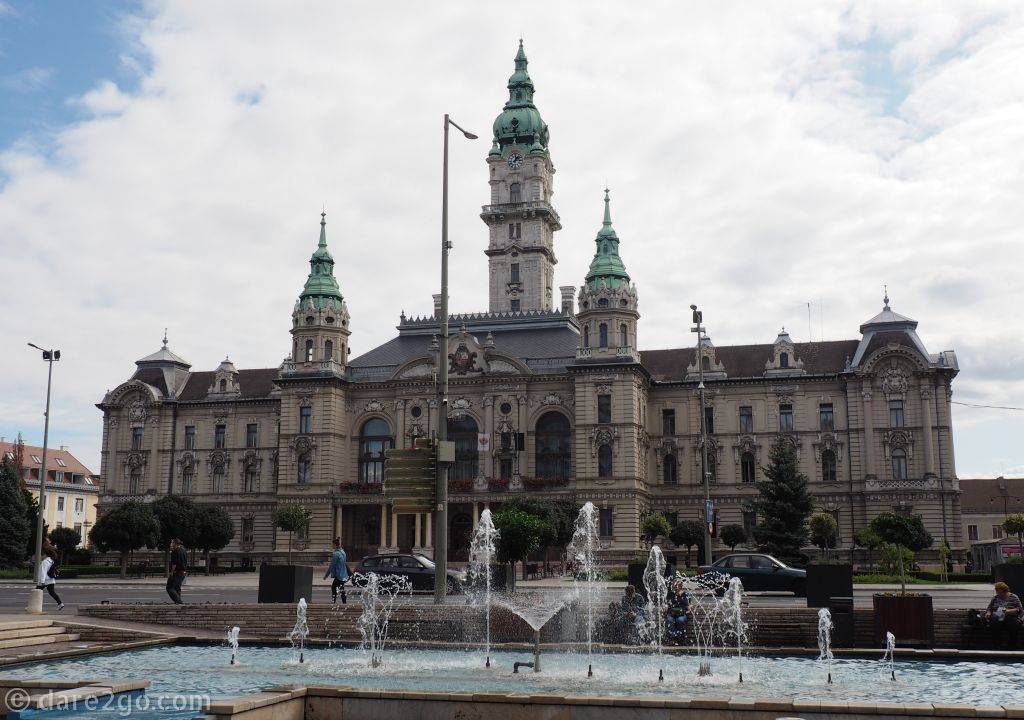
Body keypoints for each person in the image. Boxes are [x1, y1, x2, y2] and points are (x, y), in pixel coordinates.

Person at [985, 581, 1022, 649]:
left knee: (1014, 624)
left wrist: (1008, 611)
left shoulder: (1014, 597)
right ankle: (997, 645)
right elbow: (989, 608)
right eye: (996, 591)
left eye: (999, 592)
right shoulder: (995, 598)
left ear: (1004, 590)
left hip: (1010, 617)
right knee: (994, 623)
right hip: (997, 617)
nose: (997, 593)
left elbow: (1020, 610)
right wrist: (988, 612)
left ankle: (1011, 645)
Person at [324, 537, 350, 604]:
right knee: (341, 589)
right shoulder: (343, 552)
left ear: (335, 545)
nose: (331, 546)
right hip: (343, 574)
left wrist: (326, 575)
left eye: (332, 544)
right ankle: (344, 603)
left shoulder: (336, 554)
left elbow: (332, 566)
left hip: (339, 575)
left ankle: (334, 602)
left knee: (334, 587)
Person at [166, 537, 188, 604]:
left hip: (177, 572)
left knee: (169, 587)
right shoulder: (184, 550)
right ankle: (178, 602)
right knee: (177, 587)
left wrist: (171, 572)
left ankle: (178, 601)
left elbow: (174, 564)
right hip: (183, 572)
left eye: (172, 543)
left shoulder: (175, 551)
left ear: (175, 543)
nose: (171, 544)